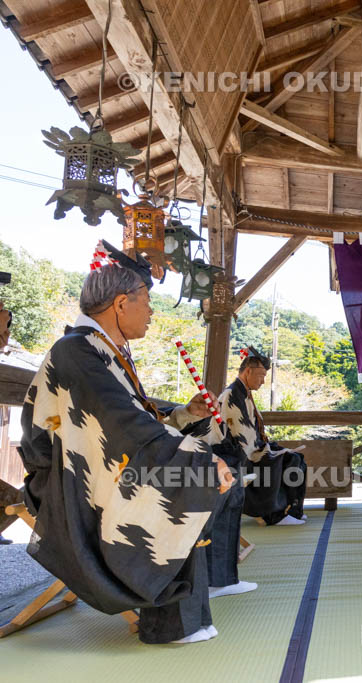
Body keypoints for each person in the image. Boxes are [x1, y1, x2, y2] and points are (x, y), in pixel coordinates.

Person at [18, 242, 232, 644]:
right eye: (146, 300)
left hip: (101, 469)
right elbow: (122, 424)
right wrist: (199, 457)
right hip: (66, 485)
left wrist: (185, 416)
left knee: (196, 472)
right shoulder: (76, 351)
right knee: (191, 475)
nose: (151, 311)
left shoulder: (102, 352)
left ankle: (189, 613)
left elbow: (134, 421)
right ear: (120, 304)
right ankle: (169, 622)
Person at [219, 347, 307, 526]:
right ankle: (272, 515)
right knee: (281, 460)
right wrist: (271, 451)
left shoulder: (244, 394)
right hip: (239, 452)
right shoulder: (231, 395)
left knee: (296, 458)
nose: (263, 381)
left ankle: (293, 510)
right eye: (261, 376)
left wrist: (275, 449)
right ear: (248, 371)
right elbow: (242, 435)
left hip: (252, 447)